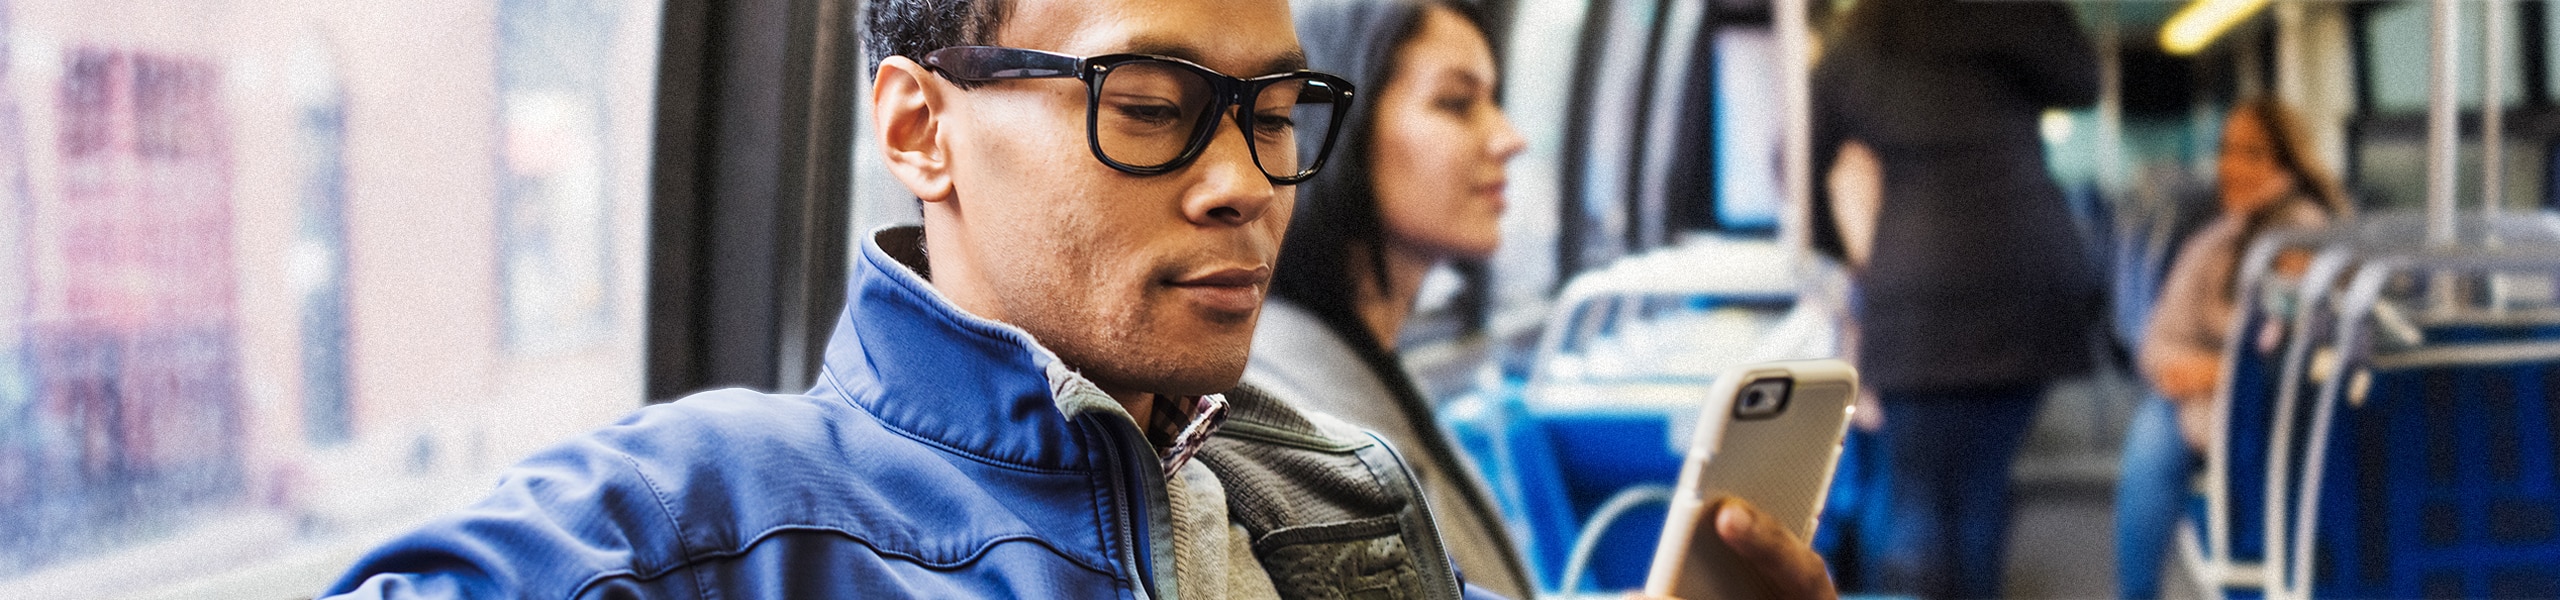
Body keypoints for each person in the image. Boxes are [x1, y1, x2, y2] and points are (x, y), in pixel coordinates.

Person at [314, 0, 1837, 598]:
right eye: (1155, 101)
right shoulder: (705, 525)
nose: (1245, 181)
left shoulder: (1329, 492)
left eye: (1275, 108)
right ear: (920, 129)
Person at [1806, 0, 2100, 597]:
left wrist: (1860, 261)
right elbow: (2084, 82)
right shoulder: (2016, 14)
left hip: (1915, 287)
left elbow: (1811, 170)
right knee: (1982, 494)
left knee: (1918, 506)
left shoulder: (1862, 36)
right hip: (2023, 272)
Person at [1244, 0, 1534, 597]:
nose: (1508, 139)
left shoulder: (1365, 355)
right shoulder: (1285, 393)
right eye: (1456, 103)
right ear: (1338, 125)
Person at [2115, 98, 2348, 600]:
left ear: (2287, 166)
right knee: (2152, 436)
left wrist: (2222, 374)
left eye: (2251, 153)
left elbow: (2298, 360)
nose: (2230, 166)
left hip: (2288, 408)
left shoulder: (2314, 248)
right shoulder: (2213, 244)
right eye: (2225, 150)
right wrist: (2197, 373)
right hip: (2202, 399)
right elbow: (2156, 343)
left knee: (2164, 434)